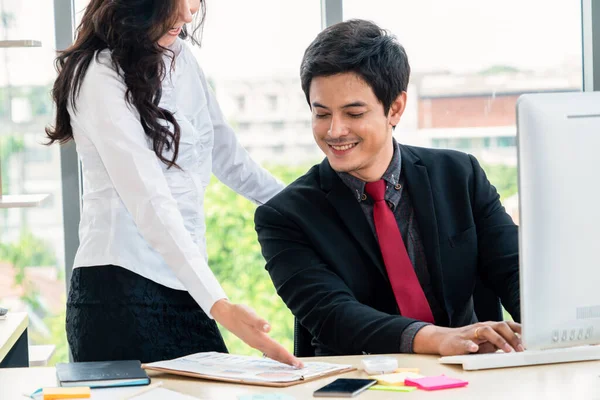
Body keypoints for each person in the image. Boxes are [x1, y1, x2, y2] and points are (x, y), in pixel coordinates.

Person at [45, 0, 301, 367]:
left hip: (190, 288)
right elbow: (149, 197)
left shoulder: (180, 56)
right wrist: (221, 305)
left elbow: (228, 156)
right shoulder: (97, 75)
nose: (188, 13)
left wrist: (308, 209)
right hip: (119, 292)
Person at [254, 19, 522, 357]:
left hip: (467, 376)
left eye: (353, 113)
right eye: (321, 114)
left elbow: (514, 272)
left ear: (394, 108)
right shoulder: (284, 216)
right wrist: (438, 339)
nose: (335, 131)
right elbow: (333, 315)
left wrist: (554, 332)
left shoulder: (459, 175)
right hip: (362, 383)